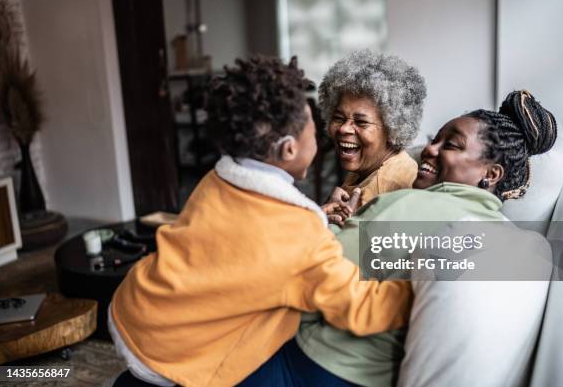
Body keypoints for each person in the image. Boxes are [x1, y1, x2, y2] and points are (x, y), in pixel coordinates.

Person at [108, 56, 412, 387]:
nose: (333, 130)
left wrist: (315, 218)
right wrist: (423, 285)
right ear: (290, 149)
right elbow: (361, 306)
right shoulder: (299, 234)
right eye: (316, 123)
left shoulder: (219, 178)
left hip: (137, 306)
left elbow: (246, 240)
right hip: (173, 350)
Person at [239, 90, 557, 387]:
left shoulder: (416, 204)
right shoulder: (488, 224)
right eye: (436, 140)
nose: (430, 149)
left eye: (452, 145)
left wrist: (325, 224)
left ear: (490, 174)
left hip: (319, 363)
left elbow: (309, 271)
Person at [318, 50, 426, 226]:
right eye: (338, 118)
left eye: (361, 122)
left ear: (393, 129)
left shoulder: (383, 186)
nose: (344, 128)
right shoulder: (372, 164)